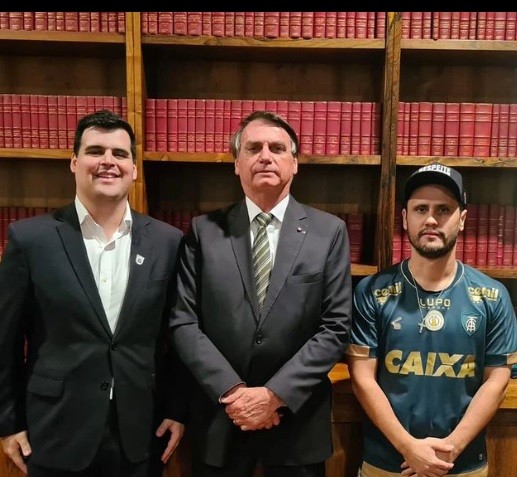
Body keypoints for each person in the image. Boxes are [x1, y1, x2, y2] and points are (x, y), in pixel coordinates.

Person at [0, 109, 187, 477]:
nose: (108, 161)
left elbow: (178, 336)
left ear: (134, 168)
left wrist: (176, 409)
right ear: (74, 162)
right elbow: (5, 340)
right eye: (95, 151)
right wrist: (8, 421)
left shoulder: (168, 242)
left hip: (140, 431)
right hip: (53, 430)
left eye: (120, 154)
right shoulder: (30, 239)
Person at [169, 110, 352, 477]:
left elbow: (335, 326)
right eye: (253, 148)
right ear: (237, 164)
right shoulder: (204, 231)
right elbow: (183, 323)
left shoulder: (329, 232)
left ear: (294, 163)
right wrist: (233, 392)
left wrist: (274, 395)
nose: (265, 156)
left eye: (277, 148)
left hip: (296, 424)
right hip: (222, 419)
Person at [346, 163, 517, 477]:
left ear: (462, 219)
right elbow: (362, 378)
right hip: (387, 463)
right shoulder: (371, 291)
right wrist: (409, 448)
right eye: (421, 208)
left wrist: (449, 448)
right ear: (404, 218)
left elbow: (497, 381)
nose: (431, 220)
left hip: (462, 465)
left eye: (444, 209)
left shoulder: (493, 295)